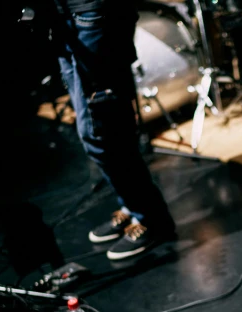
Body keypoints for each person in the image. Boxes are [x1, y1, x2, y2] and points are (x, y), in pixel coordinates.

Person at [52, 0, 177, 260]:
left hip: (90, 12)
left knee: (101, 132)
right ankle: (133, 207)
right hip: (65, 14)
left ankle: (152, 220)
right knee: (108, 128)